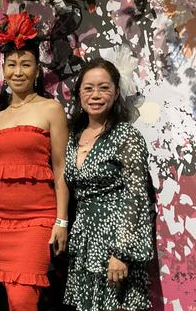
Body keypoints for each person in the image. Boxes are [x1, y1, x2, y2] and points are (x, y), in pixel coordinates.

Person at [0, 12, 70, 311]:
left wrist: (61, 221)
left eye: (26, 64)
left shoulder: (52, 110)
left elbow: (61, 170)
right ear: (4, 71)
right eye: (12, 65)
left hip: (37, 219)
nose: (18, 71)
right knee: (13, 299)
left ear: (37, 70)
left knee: (24, 301)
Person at [63, 58, 154, 311]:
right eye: (88, 88)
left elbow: (137, 196)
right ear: (79, 93)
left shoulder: (126, 135)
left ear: (115, 93)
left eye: (104, 88)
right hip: (84, 243)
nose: (95, 95)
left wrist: (121, 253)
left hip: (115, 243)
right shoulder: (72, 136)